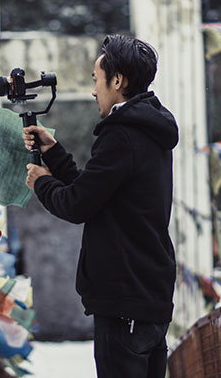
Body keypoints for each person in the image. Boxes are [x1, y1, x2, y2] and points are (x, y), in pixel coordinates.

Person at [23, 34, 178, 378]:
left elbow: (77, 205)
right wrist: (54, 153)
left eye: (96, 80)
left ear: (117, 81)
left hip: (123, 301)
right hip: (149, 296)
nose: (94, 91)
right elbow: (96, 192)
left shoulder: (120, 134)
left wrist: (41, 181)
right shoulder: (149, 129)